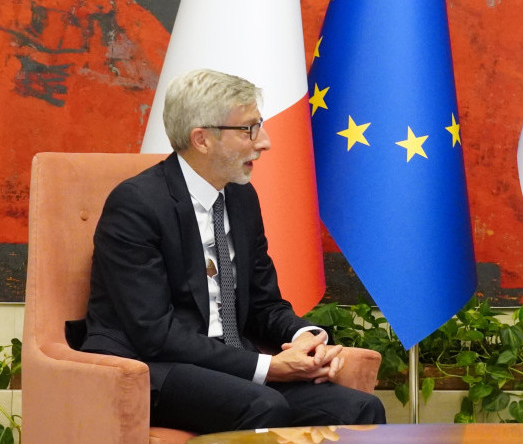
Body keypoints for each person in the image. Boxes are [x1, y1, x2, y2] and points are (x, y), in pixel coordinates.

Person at [77, 69, 386, 433]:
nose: (264, 142)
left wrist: (305, 338)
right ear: (202, 139)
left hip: (230, 366)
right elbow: (154, 332)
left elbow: (264, 304)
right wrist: (268, 367)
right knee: (263, 405)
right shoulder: (137, 204)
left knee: (361, 408)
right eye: (248, 129)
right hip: (152, 366)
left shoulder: (240, 197)